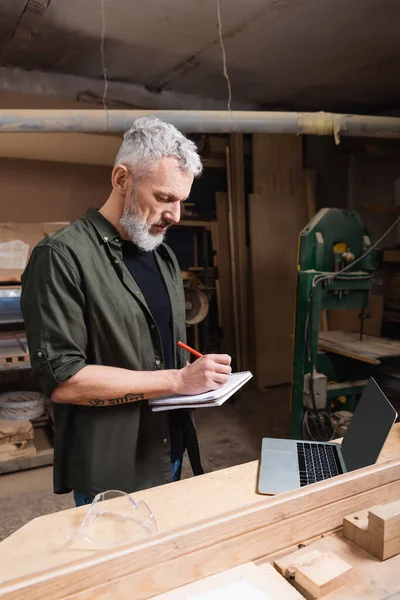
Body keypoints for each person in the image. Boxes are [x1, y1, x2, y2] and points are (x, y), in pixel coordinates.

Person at [20, 117, 232, 507]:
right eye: (165, 198)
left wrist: (198, 378)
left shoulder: (162, 255)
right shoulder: (61, 258)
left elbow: (161, 347)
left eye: (181, 201)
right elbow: (65, 381)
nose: (176, 216)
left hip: (167, 446)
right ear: (121, 179)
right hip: (113, 465)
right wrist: (177, 380)